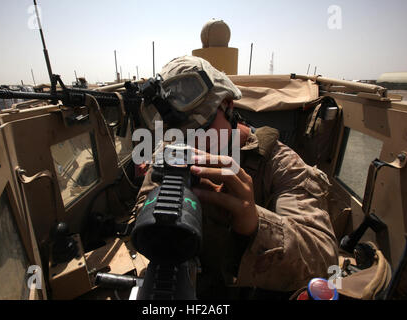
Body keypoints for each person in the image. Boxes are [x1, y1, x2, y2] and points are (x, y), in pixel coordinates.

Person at [133, 55, 338, 298]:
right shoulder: (170, 151)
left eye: (199, 129)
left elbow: (324, 261)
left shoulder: (281, 165)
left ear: (228, 105)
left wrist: (254, 224)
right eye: (179, 135)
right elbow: (141, 208)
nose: (190, 144)